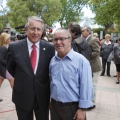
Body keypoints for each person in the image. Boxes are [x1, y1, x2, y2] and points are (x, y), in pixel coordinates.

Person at [7, 16, 55, 120]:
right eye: (32, 28)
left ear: (42, 31)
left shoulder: (50, 48)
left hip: (42, 96)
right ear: (26, 29)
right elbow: (10, 68)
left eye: (38, 29)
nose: (35, 32)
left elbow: (52, 70)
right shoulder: (14, 47)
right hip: (22, 96)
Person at [49, 28, 94, 120]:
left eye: (62, 39)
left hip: (73, 108)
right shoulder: (53, 61)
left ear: (70, 40)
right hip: (54, 107)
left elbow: (86, 86)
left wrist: (82, 109)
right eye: (55, 39)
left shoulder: (81, 61)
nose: (58, 42)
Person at [81, 26, 102, 110]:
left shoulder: (93, 40)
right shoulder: (84, 40)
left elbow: (97, 53)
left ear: (88, 32)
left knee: (93, 85)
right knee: (89, 85)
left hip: (94, 67)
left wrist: (85, 56)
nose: (82, 32)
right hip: (89, 66)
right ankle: (89, 101)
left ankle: (92, 103)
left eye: (83, 31)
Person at [0, 33, 14, 102]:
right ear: (4, 39)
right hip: (5, 69)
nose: (9, 40)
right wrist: (8, 63)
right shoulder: (3, 48)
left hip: (3, 69)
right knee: (13, 83)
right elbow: (1, 59)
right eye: (8, 38)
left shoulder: (4, 47)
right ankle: (17, 97)